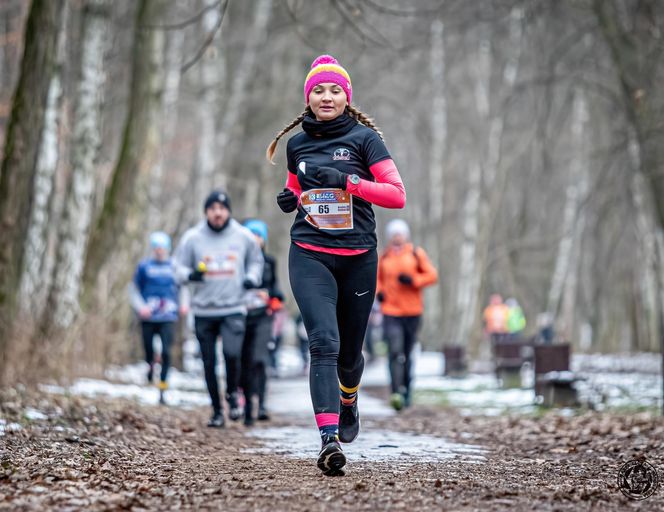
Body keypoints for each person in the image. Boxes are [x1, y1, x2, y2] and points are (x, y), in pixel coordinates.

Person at [267, 54, 406, 476]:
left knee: (349, 355)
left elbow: (396, 194)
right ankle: (328, 441)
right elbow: (297, 187)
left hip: (358, 257)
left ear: (346, 97)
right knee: (322, 343)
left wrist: (348, 181)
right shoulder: (297, 144)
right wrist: (289, 199)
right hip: (309, 252)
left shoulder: (365, 140)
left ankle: (349, 399)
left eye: (334, 90)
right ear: (307, 97)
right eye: (318, 90)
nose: (326, 97)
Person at [174, 190, 264, 428]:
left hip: (234, 306)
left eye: (222, 208)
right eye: (213, 208)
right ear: (206, 212)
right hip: (203, 309)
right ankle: (216, 410)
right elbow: (177, 267)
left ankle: (233, 394)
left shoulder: (243, 236)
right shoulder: (192, 238)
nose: (218, 212)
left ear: (228, 212)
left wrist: (252, 278)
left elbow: (257, 260)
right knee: (208, 362)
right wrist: (190, 275)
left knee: (232, 354)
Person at [376, 219, 438, 411]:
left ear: (406, 235)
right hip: (391, 311)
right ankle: (395, 392)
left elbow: (432, 276)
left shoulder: (415, 254)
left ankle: (407, 390)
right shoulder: (384, 256)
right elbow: (375, 279)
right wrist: (379, 291)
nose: (397, 236)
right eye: (394, 233)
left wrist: (413, 280)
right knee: (395, 351)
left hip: (412, 311)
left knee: (408, 353)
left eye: (400, 233)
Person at [129, 231, 187, 405]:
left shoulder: (174, 266)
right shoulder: (144, 266)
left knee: (167, 352)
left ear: (168, 249)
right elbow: (133, 289)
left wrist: (184, 304)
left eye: (162, 247)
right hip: (148, 316)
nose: (159, 250)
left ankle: (162, 387)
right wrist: (141, 308)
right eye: (156, 247)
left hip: (168, 316)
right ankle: (150, 364)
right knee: (148, 349)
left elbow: (183, 287)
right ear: (153, 249)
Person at [240, 219, 284, 425]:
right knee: (243, 361)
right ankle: (247, 404)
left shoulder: (269, 261)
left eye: (258, 235)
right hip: (240, 316)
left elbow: (275, 287)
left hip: (264, 316)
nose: (255, 239)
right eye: (251, 235)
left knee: (260, 359)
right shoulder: (238, 262)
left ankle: (262, 404)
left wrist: (275, 298)